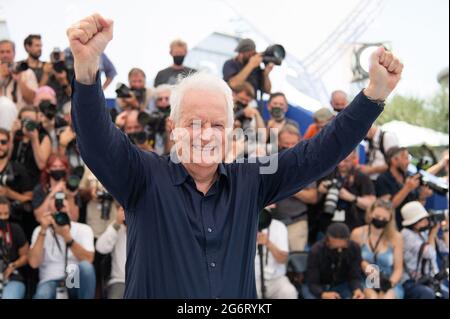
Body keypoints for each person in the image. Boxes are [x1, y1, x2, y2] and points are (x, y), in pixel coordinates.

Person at [67, 13, 402, 298]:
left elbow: (317, 153)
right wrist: (86, 70)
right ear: (172, 127)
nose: (205, 134)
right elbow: (97, 142)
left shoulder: (251, 180)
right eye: (194, 123)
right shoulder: (142, 175)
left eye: (216, 124)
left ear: (229, 132)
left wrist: (373, 96)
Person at [28, 197, 95, 299]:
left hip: (73, 278)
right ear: (49, 212)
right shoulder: (40, 230)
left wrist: (67, 238)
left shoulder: (84, 229)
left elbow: (88, 259)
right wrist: (43, 230)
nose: (60, 216)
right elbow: (33, 263)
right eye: (57, 212)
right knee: (42, 295)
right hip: (50, 279)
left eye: (63, 210)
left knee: (86, 267)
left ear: (70, 209)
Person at [272, 124, 318, 251]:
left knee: (296, 264)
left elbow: (313, 197)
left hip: (296, 222)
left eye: (293, 144)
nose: (289, 148)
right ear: (278, 143)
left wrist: (289, 186)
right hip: (272, 223)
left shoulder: (306, 164)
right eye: (285, 144)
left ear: (299, 142)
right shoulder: (269, 161)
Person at [351, 199, 404, 299]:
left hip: (388, 281)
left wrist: (387, 286)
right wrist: (364, 264)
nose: (380, 220)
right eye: (377, 216)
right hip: (364, 279)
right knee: (372, 297)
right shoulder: (357, 233)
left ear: (390, 219)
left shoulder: (396, 237)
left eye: (384, 218)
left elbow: (398, 269)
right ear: (370, 213)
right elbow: (352, 260)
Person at [317, 150, 376, 231]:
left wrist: (351, 197)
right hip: (326, 223)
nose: (341, 164)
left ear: (354, 159)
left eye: (346, 161)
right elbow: (313, 198)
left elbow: (372, 203)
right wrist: (320, 190)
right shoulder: (327, 174)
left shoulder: (362, 177)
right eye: (339, 160)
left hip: (353, 225)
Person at [303, 223, 365, 299]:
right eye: (335, 248)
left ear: (348, 241)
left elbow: (354, 275)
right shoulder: (316, 251)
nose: (339, 250)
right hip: (317, 286)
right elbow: (312, 281)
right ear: (327, 241)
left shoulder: (354, 248)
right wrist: (323, 294)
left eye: (343, 247)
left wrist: (357, 290)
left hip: (342, 285)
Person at [400, 201, 449, 299]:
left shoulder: (423, 232)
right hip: (412, 282)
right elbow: (429, 253)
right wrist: (433, 233)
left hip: (429, 281)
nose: (427, 221)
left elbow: (446, 248)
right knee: (428, 294)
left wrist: (445, 229)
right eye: (424, 219)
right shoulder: (406, 235)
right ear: (415, 222)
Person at [376, 147, 433, 228]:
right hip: (395, 226)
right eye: (405, 158)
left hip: (412, 227)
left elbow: (417, 206)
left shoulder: (409, 176)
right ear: (394, 160)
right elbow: (388, 206)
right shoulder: (383, 179)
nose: (408, 162)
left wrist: (422, 197)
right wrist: (407, 188)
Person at [0, 128, 34, 240]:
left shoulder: (18, 169)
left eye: (3, 142)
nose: (0, 145)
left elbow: (29, 200)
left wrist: (9, 193)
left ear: (9, 144)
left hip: (14, 224)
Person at [255, 218, 298, 299]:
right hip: (253, 279)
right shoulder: (244, 224)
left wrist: (268, 243)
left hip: (276, 279)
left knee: (289, 292)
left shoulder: (279, 226)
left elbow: (283, 259)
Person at [10, 106, 52, 187]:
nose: (28, 123)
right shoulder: (16, 136)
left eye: (31, 120)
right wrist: (11, 134)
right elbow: (5, 158)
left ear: (37, 121)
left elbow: (41, 165)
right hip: (13, 180)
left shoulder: (43, 137)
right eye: (25, 120)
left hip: (33, 183)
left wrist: (34, 139)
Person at [32, 154, 80, 223]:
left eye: (61, 166)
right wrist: (52, 193)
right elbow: (39, 217)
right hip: (47, 226)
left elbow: (74, 219)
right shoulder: (40, 189)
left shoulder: (72, 188)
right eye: (54, 167)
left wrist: (70, 197)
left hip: (68, 227)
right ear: (48, 169)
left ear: (66, 169)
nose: (58, 169)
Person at [0, 196, 29, 299]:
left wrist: (13, 265)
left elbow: (26, 256)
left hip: (13, 277)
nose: (3, 217)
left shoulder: (15, 229)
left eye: (6, 214)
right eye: (0, 214)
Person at [95, 204, 126, 299]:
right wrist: (117, 223)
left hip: (144, 282)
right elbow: (101, 248)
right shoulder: (116, 227)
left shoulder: (147, 229)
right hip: (120, 281)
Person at [0, 39, 38, 110]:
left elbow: (32, 99)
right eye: (2, 52)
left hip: (21, 115)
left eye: (8, 52)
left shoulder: (27, 72)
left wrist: (20, 81)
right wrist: (1, 77)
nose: (5, 55)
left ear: (14, 53)